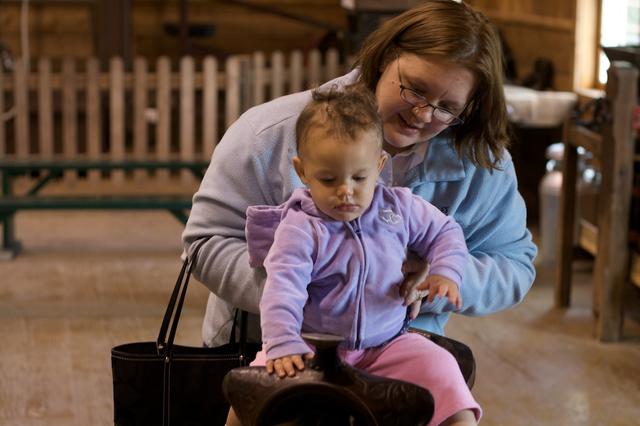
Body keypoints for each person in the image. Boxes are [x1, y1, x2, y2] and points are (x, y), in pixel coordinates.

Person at [183, 0, 535, 392]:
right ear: (386, 57)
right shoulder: (269, 133)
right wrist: (305, 294)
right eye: (414, 88)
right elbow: (204, 243)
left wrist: (436, 282)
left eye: (446, 108)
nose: (422, 113)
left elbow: (513, 263)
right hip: (271, 351)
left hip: (401, 356)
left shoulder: (482, 161)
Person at [224, 85, 479, 426]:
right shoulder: (300, 228)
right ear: (302, 172)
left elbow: (445, 232)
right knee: (249, 390)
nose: (346, 191)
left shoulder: (399, 208)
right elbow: (283, 289)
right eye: (328, 179)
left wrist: (445, 271)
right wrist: (283, 343)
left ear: (379, 165)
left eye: (360, 177)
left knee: (444, 369)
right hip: (312, 347)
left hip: (387, 344)